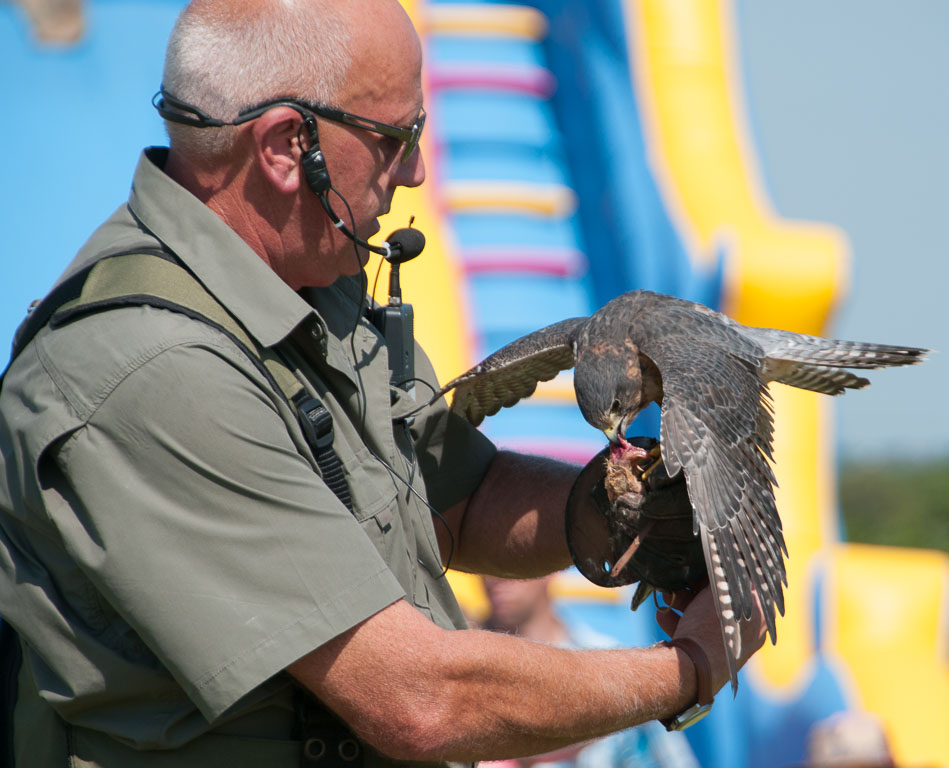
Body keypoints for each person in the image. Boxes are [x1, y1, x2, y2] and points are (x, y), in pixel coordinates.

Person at [0, 0, 767, 766]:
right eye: (395, 139)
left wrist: (610, 510)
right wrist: (690, 670)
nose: (417, 172)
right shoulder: (152, 370)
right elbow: (422, 701)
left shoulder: (312, 289)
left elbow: (453, 501)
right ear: (285, 147)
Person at [478, 575, 702, 768]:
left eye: (511, 557)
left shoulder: (613, 663)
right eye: (479, 560)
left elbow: (671, 759)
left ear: (548, 566)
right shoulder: (467, 669)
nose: (493, 577)